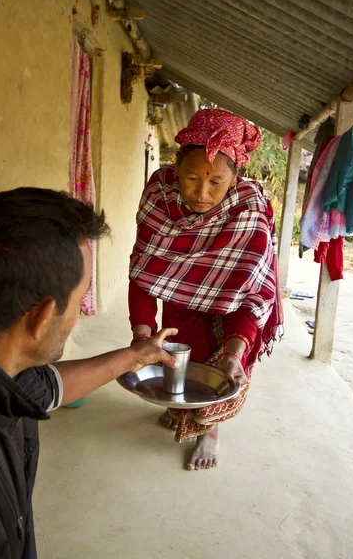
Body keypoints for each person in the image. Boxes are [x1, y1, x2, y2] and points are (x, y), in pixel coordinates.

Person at [0, 188, 178, 559]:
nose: (79, 312)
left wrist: (134, 356)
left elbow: (49, 386)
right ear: (42, 317)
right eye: (80, 300)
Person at [129, 109, 283, 471]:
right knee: (176, 355)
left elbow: (254, 293)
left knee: (220, 368)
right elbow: (143, 272)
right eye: (192, 177)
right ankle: (182, 411)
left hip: (231, 315)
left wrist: (237, 348)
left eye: (215, 182)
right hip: (180, 302)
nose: (201, 192)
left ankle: (209, 428)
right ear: (176, 170)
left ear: (234, 180)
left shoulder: (249, 211)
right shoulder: (158, 196)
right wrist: (141, 332)